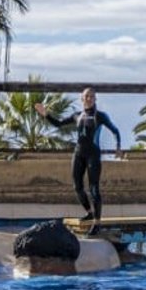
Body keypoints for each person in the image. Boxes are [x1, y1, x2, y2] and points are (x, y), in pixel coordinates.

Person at [36, 88, 122, 233]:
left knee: (94, 188)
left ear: (95, 99)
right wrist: (46, 114)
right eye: (86, 96)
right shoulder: (77, 115)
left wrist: (118, 146)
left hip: (93, 154)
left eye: (92, 96)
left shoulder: (100, 116)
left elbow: (115, 130)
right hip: (78, 153)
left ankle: (97, 222)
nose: (89, 98)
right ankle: (89, 212)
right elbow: (59, 124)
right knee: (77, 187)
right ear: (81, 98)